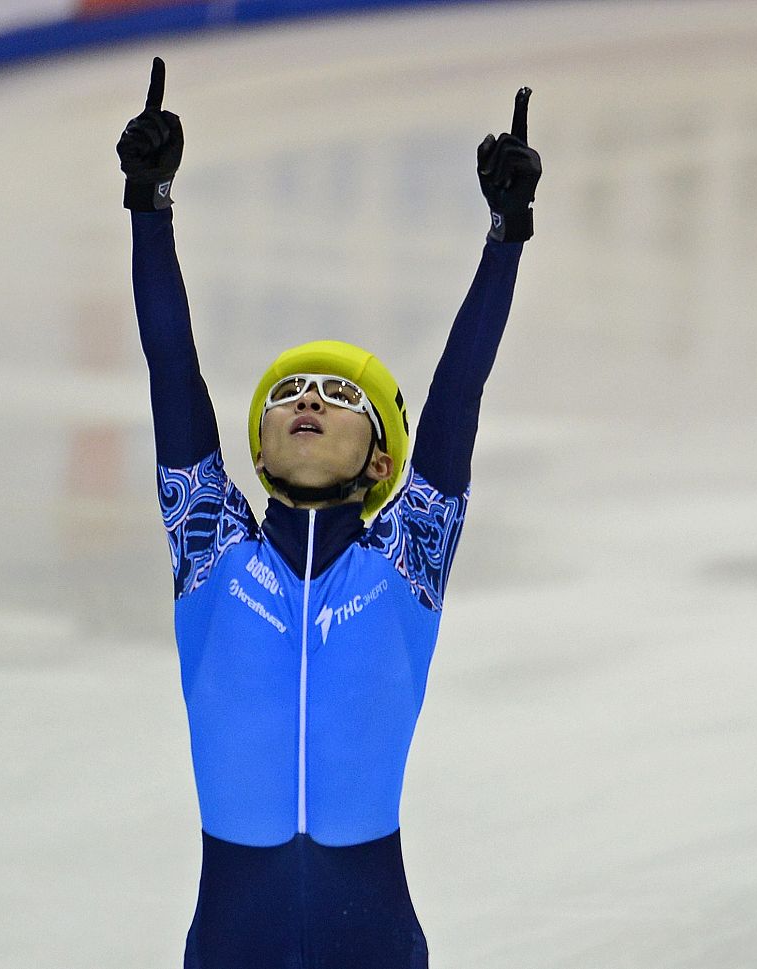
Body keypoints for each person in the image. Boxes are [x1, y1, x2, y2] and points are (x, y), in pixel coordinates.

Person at [117, 56, 541, 968]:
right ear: (258, 450)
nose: (308, 399)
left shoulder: (408, 557)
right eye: (289, 393)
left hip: (372, 936)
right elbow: (171, 367)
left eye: (339, 396)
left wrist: (506, 235)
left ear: (383, 460)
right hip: (234, 938)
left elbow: (458, 396)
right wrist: (149, 206)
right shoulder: (209, 545)